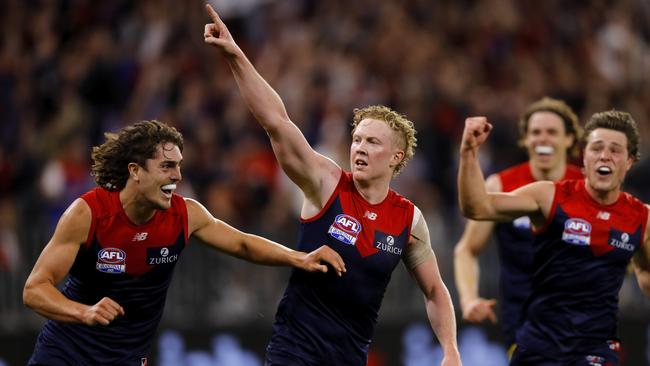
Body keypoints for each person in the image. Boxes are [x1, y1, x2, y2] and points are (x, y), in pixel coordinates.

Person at [203, 4, 461, 366]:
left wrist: (450, 348)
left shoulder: (408, 220)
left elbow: (435, 290)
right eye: (357, 139)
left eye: (372, 142)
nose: (359, 148)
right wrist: (236, 55)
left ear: (396, 157)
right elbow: (277, 121)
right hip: (294, 352)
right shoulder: (326, 183)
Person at [23, 120, 346, 366]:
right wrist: (84, 312)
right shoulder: (88, 213)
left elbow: (243, 244)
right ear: (135, 171)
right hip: (65, 354)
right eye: (166, 166)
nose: (177, 175)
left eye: (178, 165)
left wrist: (298, 257)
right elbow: (35, 289)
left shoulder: (185, 214)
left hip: (127, 359)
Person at [458, 111, 650, 365]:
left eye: (615, 150)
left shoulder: (641, 217)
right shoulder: (550, 196)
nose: (604, 155)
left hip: (596, 348)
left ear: (629, 161)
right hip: (539, 346)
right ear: (584, 158)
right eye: (597, 148)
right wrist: (469, 153)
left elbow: (646, 273)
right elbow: (478, 207)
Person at [453, 97, 583, 351]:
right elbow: (466, 249)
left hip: (582, 321)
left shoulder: (588, 188)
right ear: (525, 139)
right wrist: (469, 299)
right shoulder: (501, 185)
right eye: (535, 132)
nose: (542, 139)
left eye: (551, 132)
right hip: (524, 323)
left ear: (569, 139)